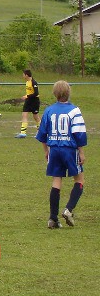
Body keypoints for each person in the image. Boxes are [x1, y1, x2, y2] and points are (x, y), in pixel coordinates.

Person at [35, 81, 87, 229]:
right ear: (69, 93)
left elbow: (42, 134)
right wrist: (81, 152)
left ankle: (53, 219)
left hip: (54, 150)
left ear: (54, 93)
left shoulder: (49, 111)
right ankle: (68, 210)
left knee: (56, 182)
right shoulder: (74, 110)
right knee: (79, 180)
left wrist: (46, 151)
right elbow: (79, 133)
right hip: (70, 150)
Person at [16, 69, 40, 138]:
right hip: (28, 101)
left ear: (26, 75)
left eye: (23, 74)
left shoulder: (34, 82)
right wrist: (27, 97)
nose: (22, 75)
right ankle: (23, 133)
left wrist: (27, 96)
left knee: (36, 117)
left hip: (34, 101)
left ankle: (40, 132)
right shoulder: (27, 82)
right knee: (24, 115)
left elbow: (36, 93)